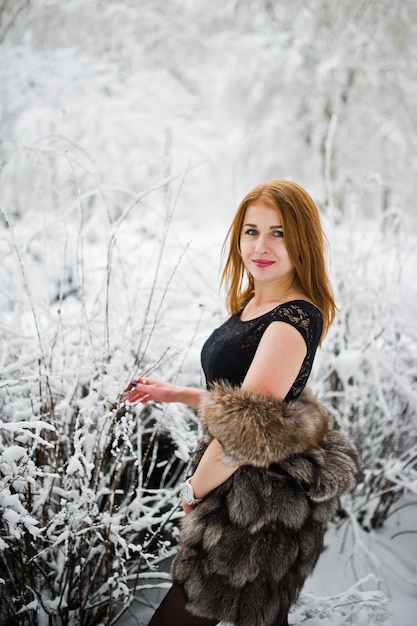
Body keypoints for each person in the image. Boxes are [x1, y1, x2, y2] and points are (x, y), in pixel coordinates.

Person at [122, 180, 362, 626]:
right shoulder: (255, 303)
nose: (262, 245)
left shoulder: (291, 319)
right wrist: (174, 392)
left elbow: (243, 433)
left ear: (302, 241)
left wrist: (195, 489)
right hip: (240, 491)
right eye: (252, 231)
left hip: (254, 507)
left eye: (280, 233)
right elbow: (247, 397)